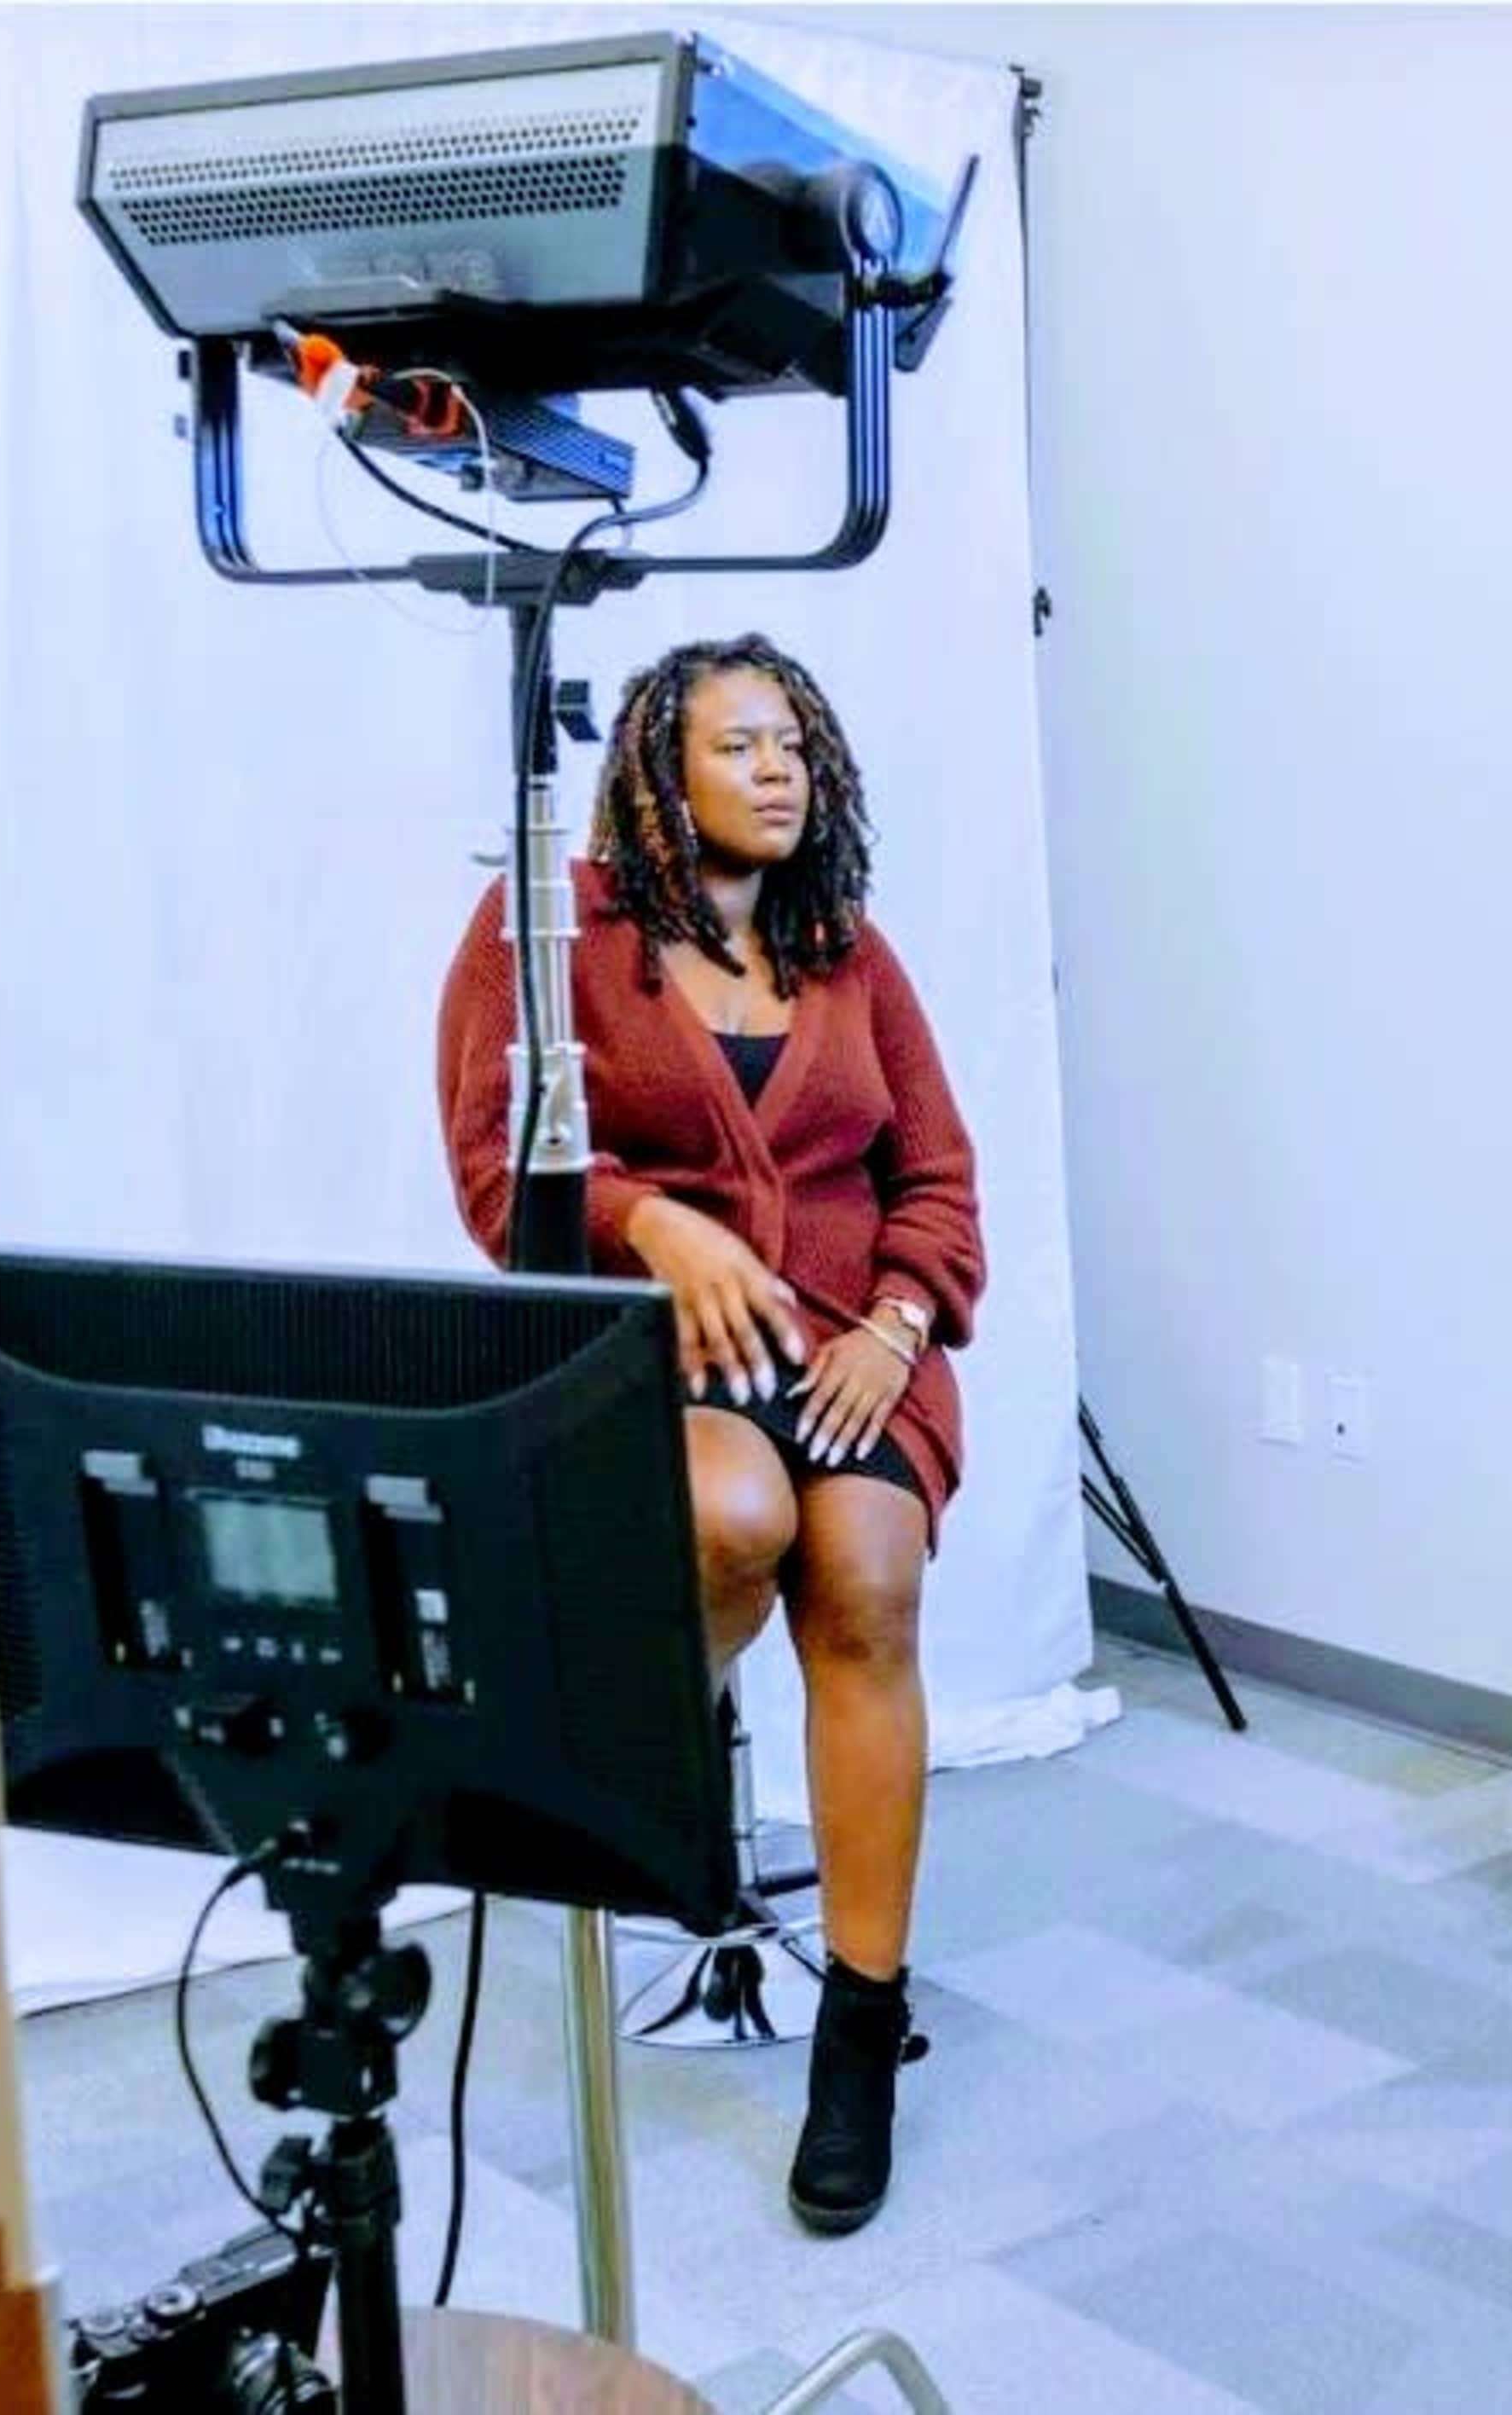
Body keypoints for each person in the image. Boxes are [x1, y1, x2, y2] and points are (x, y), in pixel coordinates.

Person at [437, 633, 985, 2238]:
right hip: (646, 1358)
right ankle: (618, 1769)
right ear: (656, 780)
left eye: (795, 743)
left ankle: (861, 2033)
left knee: (869, 1572)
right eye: (741, 745)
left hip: (855, 1352)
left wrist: (896, 1328)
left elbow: (941, 1184)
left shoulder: (850, 953)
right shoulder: (553, 938)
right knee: (739, 1514)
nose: (777, 770)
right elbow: (495, 1178)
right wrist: (653, 1227)